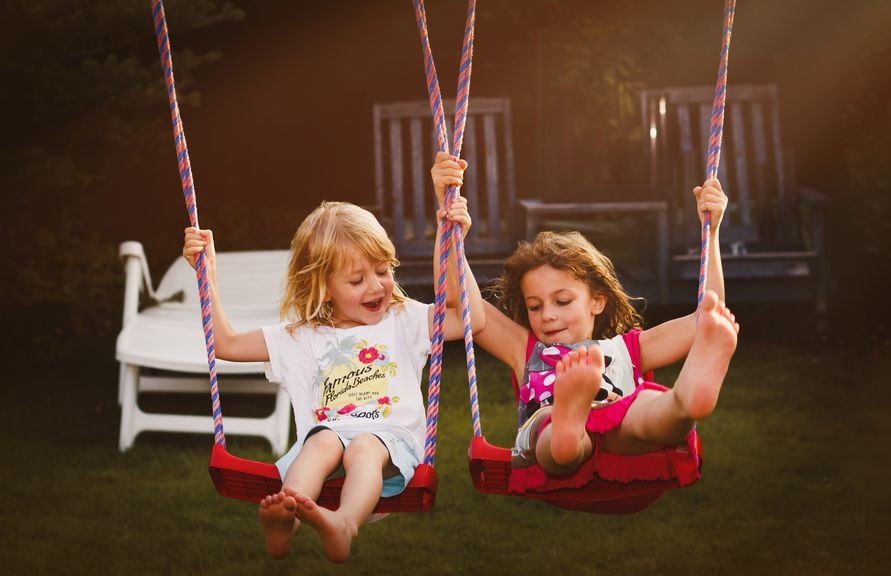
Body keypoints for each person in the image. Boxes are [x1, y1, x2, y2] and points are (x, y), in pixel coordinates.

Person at [182, 190, 481, 563]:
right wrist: (205, 273)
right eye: (357, 280)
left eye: (382, 271)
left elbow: (471, 319)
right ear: (324, 289)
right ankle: (285, 520)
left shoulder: (404, 320)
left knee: (363, 446)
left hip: (390, 446)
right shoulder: (302, 337)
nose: (376, 286)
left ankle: (344, 523)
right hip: (327, 450)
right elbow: (224, 344)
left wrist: (454, 244)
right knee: (322, 441)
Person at [432, 154, 739, 484]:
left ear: (597, 301)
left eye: (562, 301)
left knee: (648, 411)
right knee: (552, 436)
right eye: (534, 307)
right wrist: (449, 229)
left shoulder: (628, 348)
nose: (547, 315)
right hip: (551, 427)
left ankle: (683, 402)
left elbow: (707, 318)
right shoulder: (526, 350)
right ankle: (569, 420)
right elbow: (463, 303)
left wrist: (713, 231)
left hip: (618, 430)